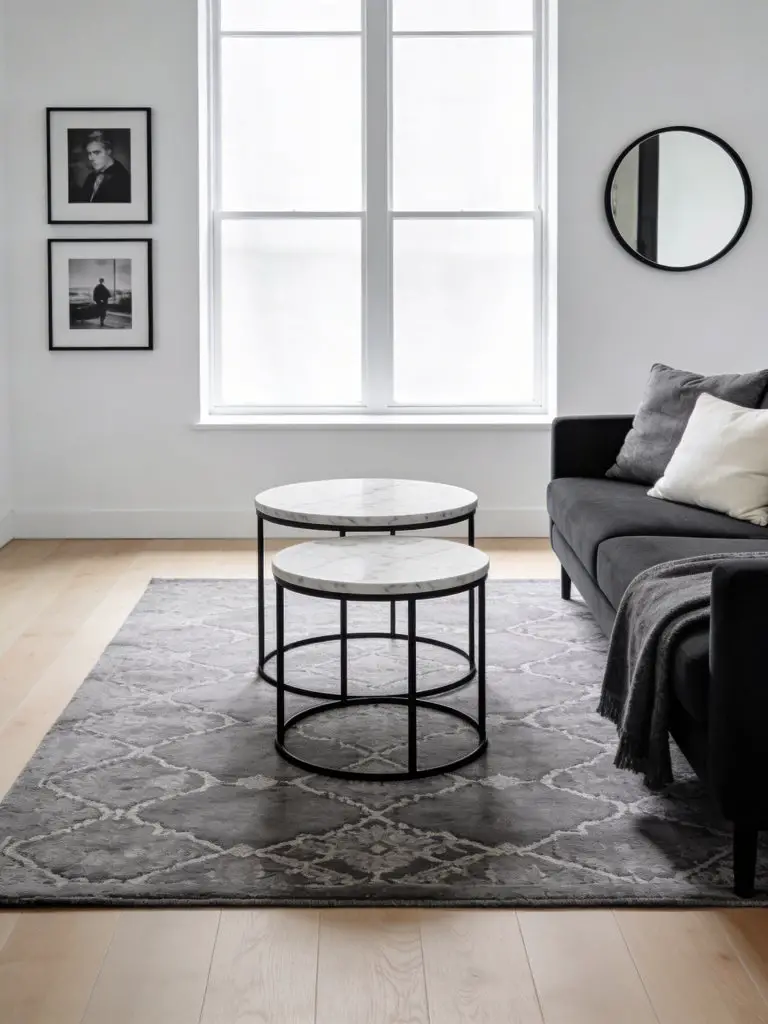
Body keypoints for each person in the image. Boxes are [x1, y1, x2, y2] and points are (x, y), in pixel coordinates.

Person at [76, 131, 131, 203]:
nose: (90, 158)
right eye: (89, 153)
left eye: (96, 152)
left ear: (108, 151)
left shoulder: (123, 178)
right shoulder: (91, 177)